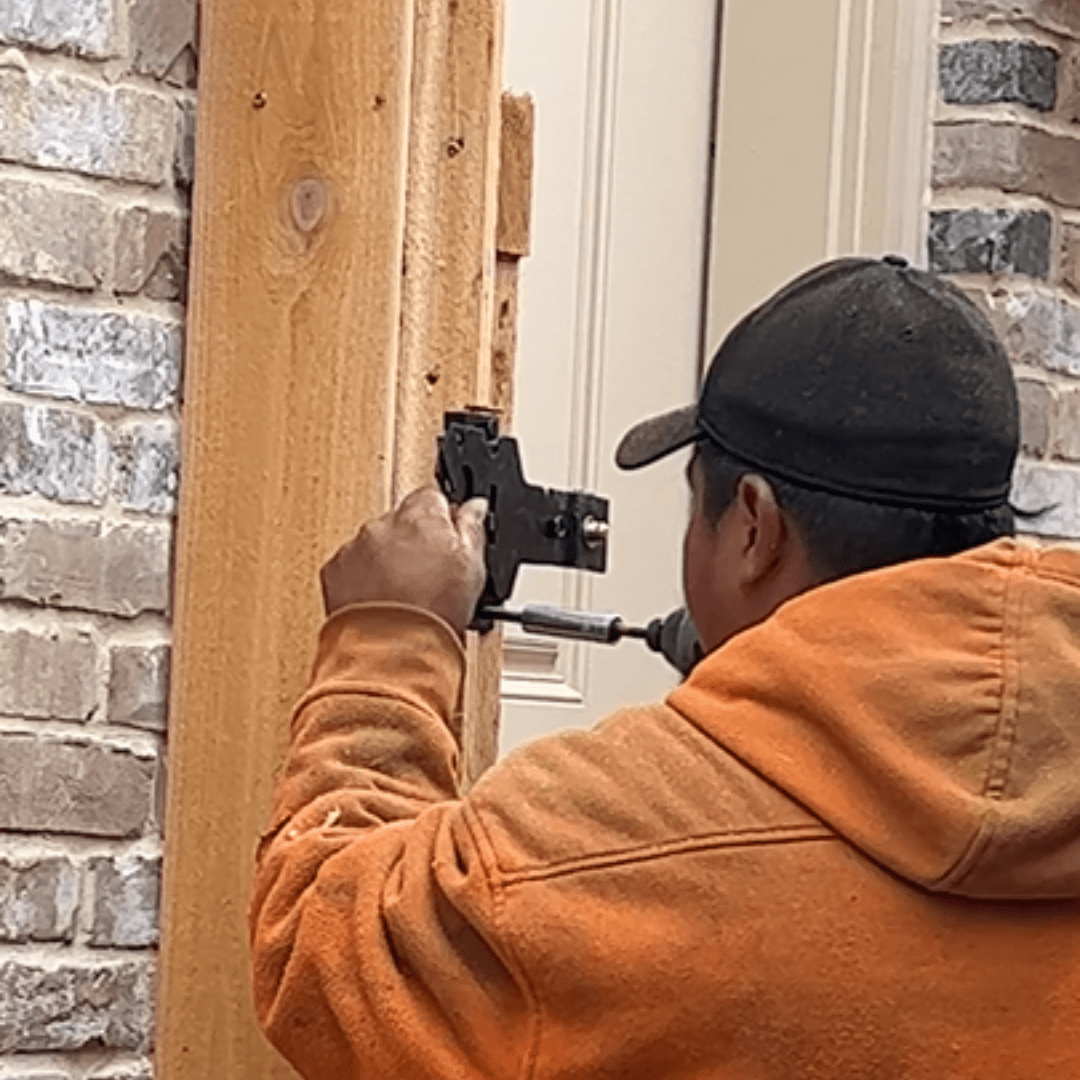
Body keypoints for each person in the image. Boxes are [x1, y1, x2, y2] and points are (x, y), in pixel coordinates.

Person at [249, 256, 1080, 1079]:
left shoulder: (608, 832)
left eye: (693, 505)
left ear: (753, 528)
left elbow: (326, 956)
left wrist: (389, 643)